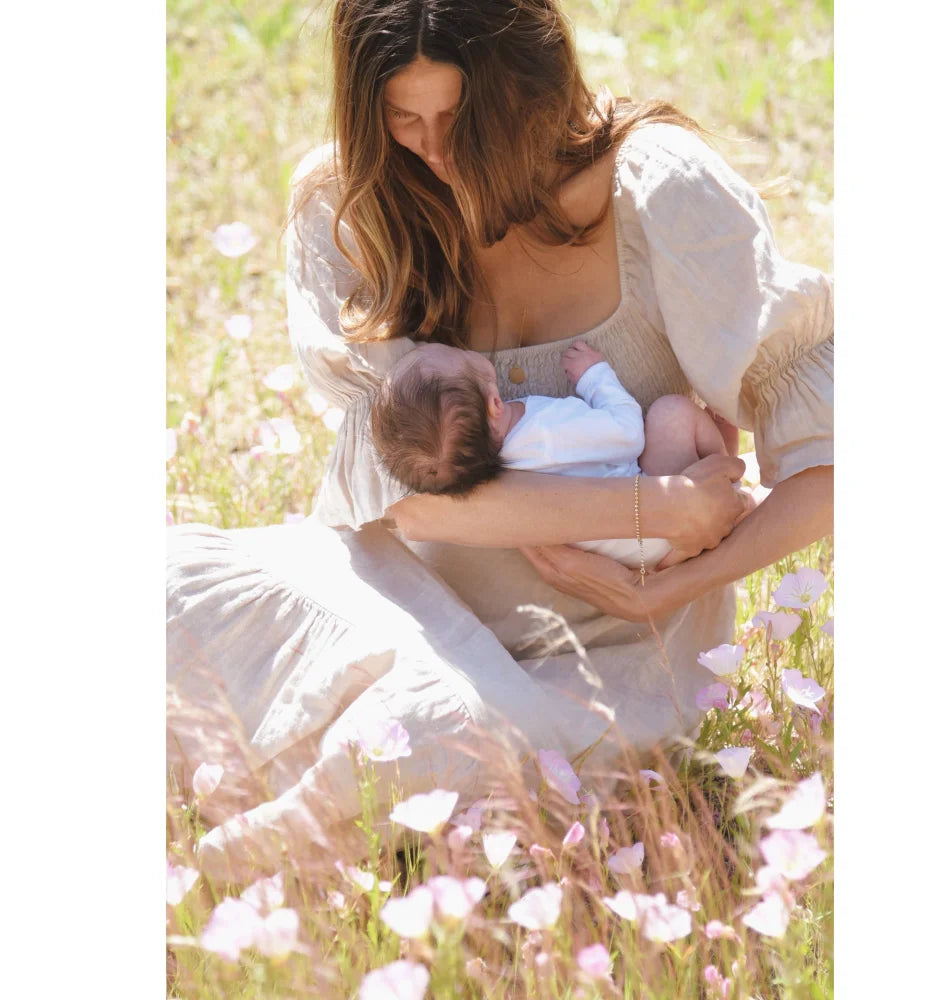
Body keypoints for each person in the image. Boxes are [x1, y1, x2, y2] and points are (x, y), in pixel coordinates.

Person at [167, 0, 833, 880]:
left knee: (436, 733)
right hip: (394, 597)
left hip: (603, 654)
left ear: (532, 86)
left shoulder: (659, 193)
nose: (434, 149)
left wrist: (687, 579)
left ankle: (228, 865)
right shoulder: (351, 204)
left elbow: (831, 461)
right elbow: (418, 502)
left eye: (463, 118)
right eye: (403, 118)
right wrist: (667, 505)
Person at [370, 338, 735, 570]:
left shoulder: (496, 470)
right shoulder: (545, 431)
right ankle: (728, 489)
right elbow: (628, 434)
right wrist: (594, 377)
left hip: (621, 555)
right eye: (458, 352)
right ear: (495, 404)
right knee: (671, 413)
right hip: (662, 529)